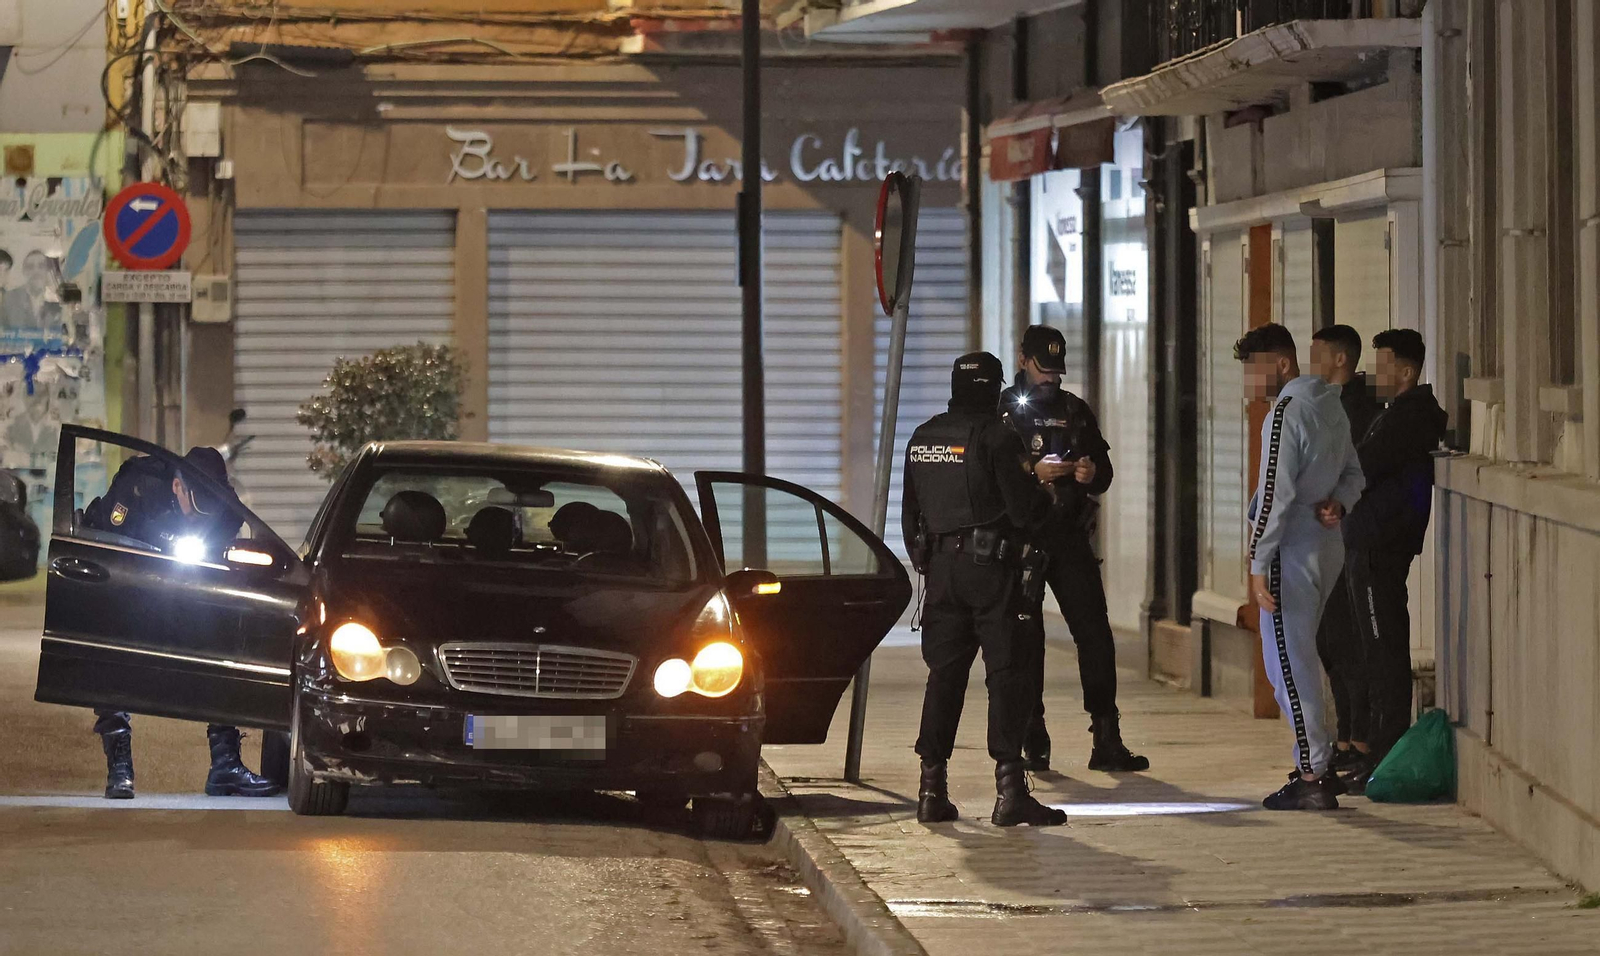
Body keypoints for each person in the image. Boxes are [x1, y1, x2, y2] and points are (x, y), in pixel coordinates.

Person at [902, 351, 1066, 827]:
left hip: (941, 575)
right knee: (1007, 675)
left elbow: (910, 514)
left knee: (944, 677)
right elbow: (1023, 512)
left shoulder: (923, 438)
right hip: (991, 572)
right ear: (995, 389)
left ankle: (931, 790)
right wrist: (1047, 499)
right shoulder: (998, 436)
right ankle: (1010, 792)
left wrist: (929, 562)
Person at [82, 446, 282, 800]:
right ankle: (120, 767)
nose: (201, 517)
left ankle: (225, 766)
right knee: (111, 654)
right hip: (130, 581)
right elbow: (110, 547)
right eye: (196, 507)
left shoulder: (225, 505)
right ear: (177, 487)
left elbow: (225, 555)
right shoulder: (138, 487)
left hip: (188, 585)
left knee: (220, 647)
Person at [999, 325, 1148, 773]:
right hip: (1023, 538)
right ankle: (1033, 734)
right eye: (1043, 370)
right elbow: (991, 471)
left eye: (1057, 373)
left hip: (1068, 538)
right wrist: (1031, 471)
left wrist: (1089, 471)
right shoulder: (1004, 410)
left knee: (1095, 634)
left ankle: (1106, 736)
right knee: (1027, 641)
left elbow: (1103, 467)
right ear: (1023, 360)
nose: (1051, 381)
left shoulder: (1074, 410)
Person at [1236, 323, 1364, 810]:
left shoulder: (1286, 412)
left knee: (1286, 662)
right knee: (1301, 656)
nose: (1249, 380)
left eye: (1254, 367)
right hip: (1324, 547)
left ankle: (1311, 773)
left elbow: (1274, 494)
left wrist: (1258, 560)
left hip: (1290, 551)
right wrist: (1341, 502)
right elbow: (1354, 472)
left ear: (1282, 364)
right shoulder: (1329, 403)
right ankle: (1320, 763)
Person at [1340, 328, 1447, 786]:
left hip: (1381, 547)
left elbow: (1362, 466)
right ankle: (1378, 750)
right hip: (1371, 543)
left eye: (1383, 366)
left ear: (1405, 372)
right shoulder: (1394, 413)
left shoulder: (1409, 417)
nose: (1372, 374)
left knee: (1383, 651)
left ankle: (1384, 754)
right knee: (1374, 648)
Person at [1308, 325, 1382, 775]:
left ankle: (1358, 738)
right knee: (1329, 642)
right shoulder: (1326, 402)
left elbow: (1344, 467)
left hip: (1346, 537)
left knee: (1347, 640)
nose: (1312, 360)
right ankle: (1344, 736)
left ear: (1340, 359)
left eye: (1318, 353)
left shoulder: (1353, 406)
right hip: (1326, 536)